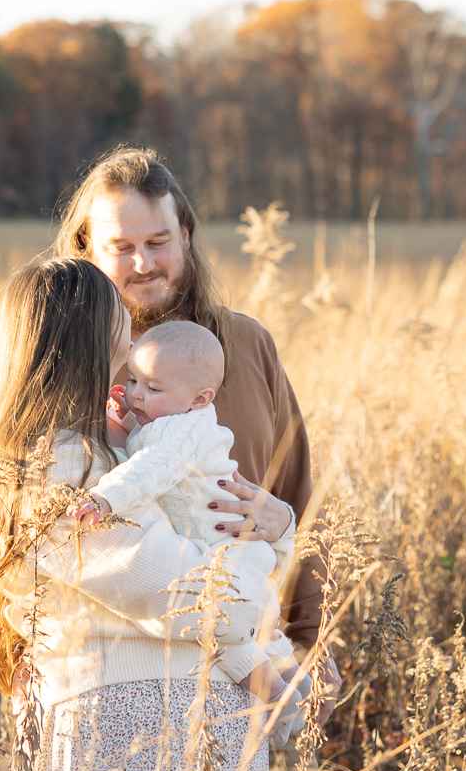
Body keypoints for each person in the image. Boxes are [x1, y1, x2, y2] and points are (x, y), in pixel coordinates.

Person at [0, 257, 272, 771]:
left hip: (148, 719)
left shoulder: (106, 448)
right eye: (118, 308)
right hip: (135, 723)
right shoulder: (58, 468)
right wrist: (257, 589)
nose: (133, 316)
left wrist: (275, 522)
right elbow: (212, 603)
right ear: (92, 332)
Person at [50, 147, 341, 715]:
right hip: (119, 690)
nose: (143, 264)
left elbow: (302, 494)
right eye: (121, 247)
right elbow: (24, 519)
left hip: (261, 666)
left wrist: (314, 639)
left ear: (185, 233)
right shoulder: (65, 367)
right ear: (86, 249)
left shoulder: (248, 346)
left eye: (158, 242)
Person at [72, 320, 310, 743]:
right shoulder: (174, 421)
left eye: (153, 388)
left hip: (225, 543)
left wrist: (106, 498)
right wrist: (129, 424)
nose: (136, 394)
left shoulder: (184, 431)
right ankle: (286, 680)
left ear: (200, 398)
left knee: (228, 629)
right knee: (247, 625)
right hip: (222, 539)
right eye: (132, 379)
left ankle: (279, 696)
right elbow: (153, 445)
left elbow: (153, 468)